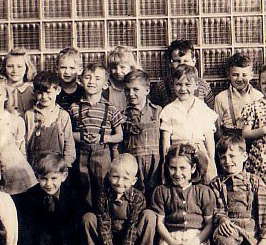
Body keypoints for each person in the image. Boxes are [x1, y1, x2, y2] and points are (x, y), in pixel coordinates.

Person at [79, 154, 157, 245]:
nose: (119, 182)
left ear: (134, 181)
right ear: (109, 176)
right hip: (108, 243)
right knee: (88, 218)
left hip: (129, 244)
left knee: (149, 215)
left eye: (125, 179)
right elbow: (104, 226)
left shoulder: (138, 197)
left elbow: (132, 228)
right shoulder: (103, 195)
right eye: (115, 176)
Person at [210, 135, 266, 245]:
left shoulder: (255, 181)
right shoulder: (217, 183)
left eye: (232, 156)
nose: (227, 162)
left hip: (252, 232)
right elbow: (216, 208)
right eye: (223, 158)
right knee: (225, 243)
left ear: (244, 156)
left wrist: (264, 239)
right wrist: (222, 219)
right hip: (230, 229)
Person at [150, 144, 217, 245]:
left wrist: (196, 241)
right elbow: (160, 224)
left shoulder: (203, 191)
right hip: (171, 237)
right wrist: (173, 242)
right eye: (172, 168)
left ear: (192, 169)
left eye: (182, 168)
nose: (177, 173)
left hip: (197, 237)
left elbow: (209, 224)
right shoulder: (162, 191)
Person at [12, 153, 82, 245]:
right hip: (40, 244)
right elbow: (25, 230)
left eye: (54, 178)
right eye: (44, 179)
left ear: (64, 176)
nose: (49, 184)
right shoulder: (31, 196)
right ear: (37, 177)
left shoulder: (71, 195)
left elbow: (79, 228)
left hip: (62, 243)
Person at [69, 63, 124, 209]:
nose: (92, 81)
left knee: (102, 187)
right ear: (81, 81)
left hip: (103, 153)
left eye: (97, 79)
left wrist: (104, 138)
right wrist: (79, 136)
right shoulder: (75, 107)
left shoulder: (111, 109)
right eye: (88, 77)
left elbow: (119, 136)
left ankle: (102, 217)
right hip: (82, 153)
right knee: (83, 186)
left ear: (105, 84)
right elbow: (67, 134)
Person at [160, 64, 217, 183]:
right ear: (173, 85)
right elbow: (166, 139)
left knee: (204, 181)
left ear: (196, 85)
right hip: (178, 152)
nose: (183, 89)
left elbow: (209, 136)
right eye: (178, 84)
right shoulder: (169, 110)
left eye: (187, 85)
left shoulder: (203, 108)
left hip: (199, 150)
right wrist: (166, 160)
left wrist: (211, 160)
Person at [122, 69, 161, 203]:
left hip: (155, 165)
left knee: (155, 197)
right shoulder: (122, 116)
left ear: (147, 90)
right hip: (133, 165)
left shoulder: (158, 112)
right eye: (127, 90)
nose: (131, 94)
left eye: (135, 89)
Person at [25, 71, 76, 167]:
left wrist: (66, 165)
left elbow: (69, 143)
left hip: (57, 168)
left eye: (48, 92)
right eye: (40, 93)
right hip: (34, 167)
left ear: (58, 90)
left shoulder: (63, 116)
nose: (44, 97)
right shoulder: (30, 115)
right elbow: (24, 144)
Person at [150, 39, 214, 108]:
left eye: (186, 61)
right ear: (170, 63)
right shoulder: (162, 86)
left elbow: (211, 109)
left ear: (193, 61)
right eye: (177, 61)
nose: (181, 64)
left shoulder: (203, 85)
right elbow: (154, 110)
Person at [214, 53, 263, 138]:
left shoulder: (258, 96)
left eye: (244, 75)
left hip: (252, 140)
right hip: (229, 142)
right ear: (228, 75)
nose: (240, 79)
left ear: (251, 75)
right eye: (235, 75)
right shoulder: (221, 98)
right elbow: (217, 128)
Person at [0, 48, 37, 117]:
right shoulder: (0, 89)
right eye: (10, 66)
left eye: (19, 67)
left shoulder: (32, 90)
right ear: (4, 68)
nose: (15, 70)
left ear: (27, 68)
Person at [104, 46, 140, 113]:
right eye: (114, 68)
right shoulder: (106, 88)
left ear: (131, 67)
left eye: (122, 67)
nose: (118, 71)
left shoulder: (138, 86)